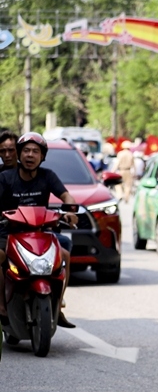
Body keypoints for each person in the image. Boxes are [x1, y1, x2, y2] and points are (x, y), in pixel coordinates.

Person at [0, 133, 79, 334]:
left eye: (36, 151)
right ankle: (2, 305)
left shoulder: (48, 176)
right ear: (19, 154)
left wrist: (70, 211)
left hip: (39, 233)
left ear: (42, 156)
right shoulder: (5, 178)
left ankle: (58, 305)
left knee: (66, 256)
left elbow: (65, 195)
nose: (30, 155)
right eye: (26, 150)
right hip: (9, 233)